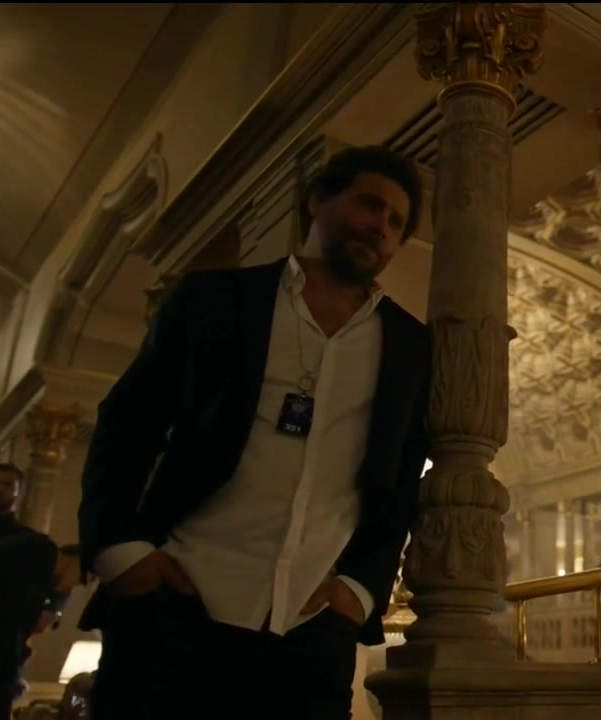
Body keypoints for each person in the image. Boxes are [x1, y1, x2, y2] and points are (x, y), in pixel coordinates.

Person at [77, 146, 430, 719]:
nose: (381, 227)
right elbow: (128, 422)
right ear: (316, 200)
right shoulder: (215, 300)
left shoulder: (409, 346)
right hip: (174, 608)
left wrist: (360, 591)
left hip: (312, 633)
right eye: (369, 205)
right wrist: (122, 552)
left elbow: (402, 479)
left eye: (395, 221)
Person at [0, 533, 86, 720]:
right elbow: (6, 636)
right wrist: (8, 681)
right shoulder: (33, 556)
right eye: (83, 580)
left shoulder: (34, 566)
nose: (74, 588)